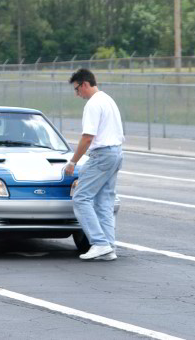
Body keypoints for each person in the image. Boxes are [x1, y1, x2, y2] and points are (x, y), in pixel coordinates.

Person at [65, 68, 124, 261]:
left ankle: (99, 243)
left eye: (77, 89)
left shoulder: (93, 104)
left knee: (81, 198)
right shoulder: (108, 99)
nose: (77, 94)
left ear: (84, 84)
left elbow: (88, 137)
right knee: (104, 202)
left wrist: (73, 161)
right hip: (116, 153)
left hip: (102, 155)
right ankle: (109, 246)